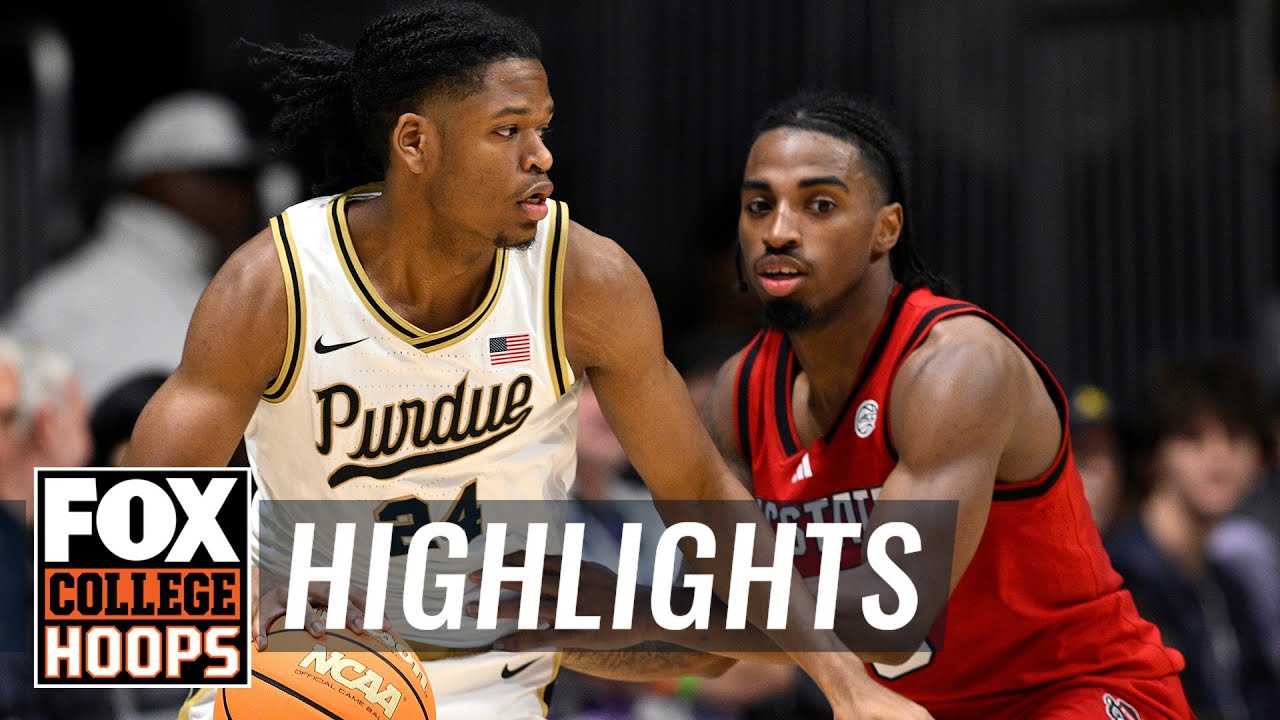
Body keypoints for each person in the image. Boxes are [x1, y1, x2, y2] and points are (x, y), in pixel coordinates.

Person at [121, 4, 924, 719]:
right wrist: (246, 592)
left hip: (491, 688)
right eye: (508, 132)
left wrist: (846, 686)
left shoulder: (584, 280)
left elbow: (702, 490)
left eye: (543, 128)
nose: (541, 156)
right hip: (300, 680)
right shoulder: (276, 285)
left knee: (706, 645)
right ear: (416, 143)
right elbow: (125, 530)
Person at [495, 91, 1193, 719]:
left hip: (1080, 692)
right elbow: (712, 639)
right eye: (759, 206)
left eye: (819, 205)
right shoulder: (741, 393)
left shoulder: (954, 368)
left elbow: (891, 612)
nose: (779, 231)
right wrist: (551, 630)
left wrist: (639, 607)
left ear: (886, 229)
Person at [3, 91, 264, 403]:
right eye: (226, 178)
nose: (245, 197)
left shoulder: (215, 285)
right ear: (159, 180)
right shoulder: (61, 307)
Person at [1107, 356, 1280, 719]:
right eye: (1192, 437)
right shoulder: (1120, 577)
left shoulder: (1230, 584)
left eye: (1235, 436)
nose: (1218, 456)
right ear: (1153, 456)